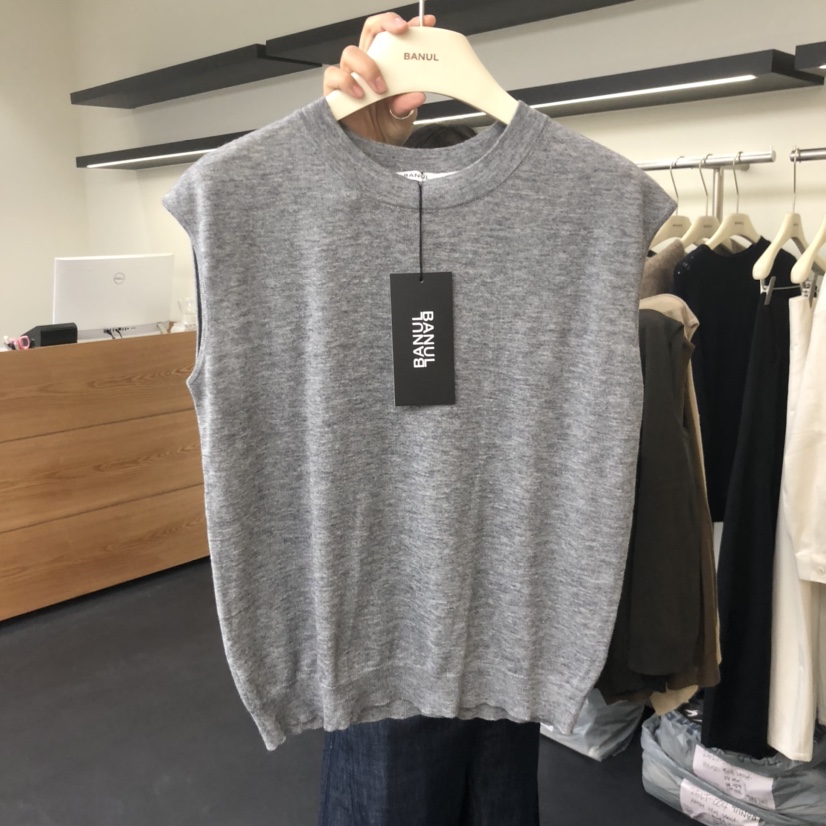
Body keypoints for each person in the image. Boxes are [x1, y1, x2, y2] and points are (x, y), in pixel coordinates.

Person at [316, 13, 541, 826]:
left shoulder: (565, 206)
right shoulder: (305, 219)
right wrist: (352, 147)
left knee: (489, 785)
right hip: (387, 606)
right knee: (400, 772)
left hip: (506, 599)